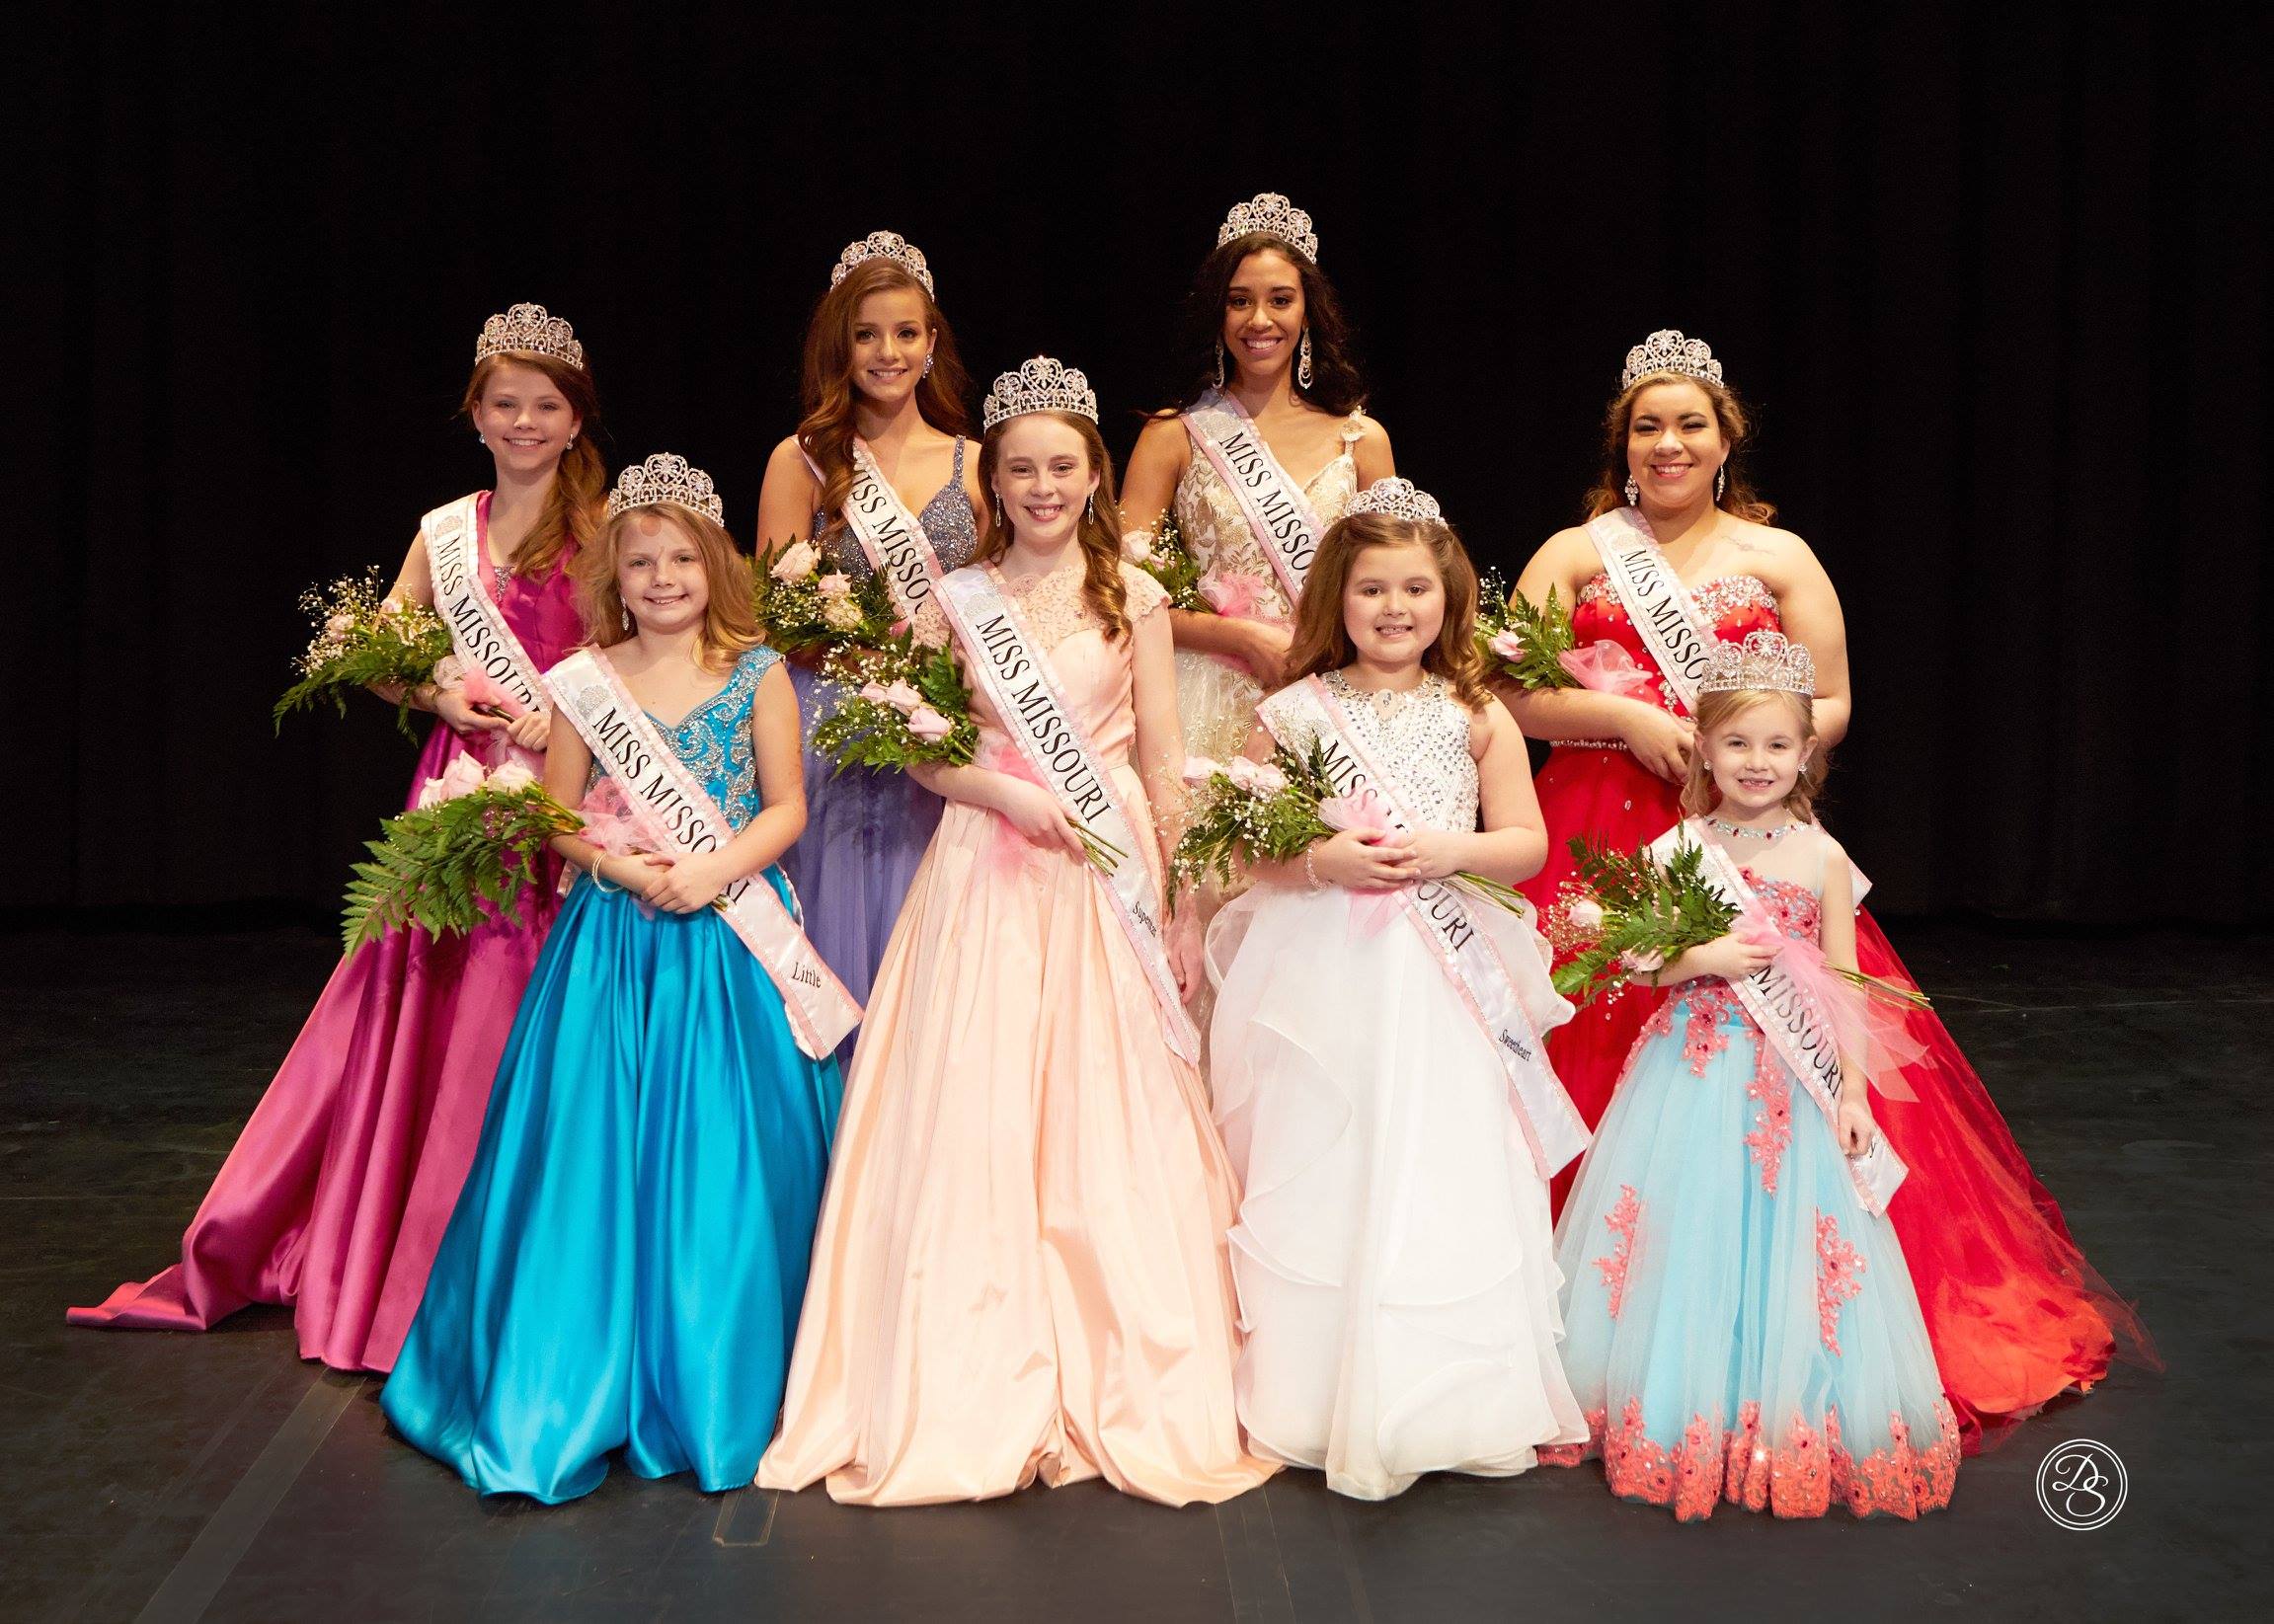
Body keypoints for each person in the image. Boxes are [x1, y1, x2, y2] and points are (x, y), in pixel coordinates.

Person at [1504, 330, 2151, 1446]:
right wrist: (1624, 718)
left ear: (1724, 439)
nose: (1667, 444)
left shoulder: (1782, 558)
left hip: (1743, 826)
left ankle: (1759, 1315)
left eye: (1688, 424)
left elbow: (1835, 701)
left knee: (1774, 1046)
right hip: (1593, 829)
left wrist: (1739, 749)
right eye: (1646, 426)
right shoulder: (1571, 551)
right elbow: (1504, 698)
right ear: (1623, 443)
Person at [759, 358, 1271, 1507]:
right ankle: (975, 1350)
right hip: (986, 869)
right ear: (992, 478)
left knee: (1112, 1100)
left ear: (1095, 476)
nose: (1043, 485)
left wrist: (1176, 883)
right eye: (1020, 467)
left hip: (1102, 863)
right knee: (976, 1099)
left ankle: (1118, 1357)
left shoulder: (1131, 595)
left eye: (1062, 465)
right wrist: (1001, 793)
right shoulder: (954, 595)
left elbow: (1152, 751)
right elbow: (925, 746)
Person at [70, 304, 599, 1371]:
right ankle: (409, 1254)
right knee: (433, 1018)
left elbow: (649, 656)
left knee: (533, 1022)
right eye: (506, 404)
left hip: (572, 803)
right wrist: (439, 686)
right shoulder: (444, 531)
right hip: (457, 795)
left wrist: (571, 720)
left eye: (545, 405)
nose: (525, 421)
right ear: (477, 415)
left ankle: (526, 1258)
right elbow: (384, 650)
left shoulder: (605, 534)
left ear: (577, 421)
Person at [382, 454, 849, 1502]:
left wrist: (712, 869)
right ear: (615, 574)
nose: (663, 577)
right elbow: (553, 818)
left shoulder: (759, 670)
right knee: (592, 1158)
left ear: (714, 566)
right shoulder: (584, 680)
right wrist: (618, 862)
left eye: (682, 558)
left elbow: (785, 810)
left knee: (725, 1162)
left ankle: (718, 1382)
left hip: (727, 943)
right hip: (612, 945)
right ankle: (580, 1374)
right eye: (641, 562)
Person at [1206, 479, 1589, 1500]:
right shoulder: (1288, 713)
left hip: (1440, 981)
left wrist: (1441, 847)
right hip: (1318, 971)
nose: (1392, 608)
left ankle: (1450, 1398)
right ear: (1335, 598)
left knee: (1436, 1158)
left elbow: (1523, 843)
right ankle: (1311, 1391)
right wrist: (1322, 861)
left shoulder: (1473, 713)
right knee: (1324, 1153)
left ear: (1447, 599)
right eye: (1370, 587)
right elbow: (1243, 852)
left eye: (1413, 588)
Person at [1547, 632, 1959, 1521]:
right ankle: (1680, 1409)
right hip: (1693, 1071)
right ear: (1702, 747)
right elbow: (1642, 964)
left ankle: (1780, 1415)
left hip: (1795, 1082)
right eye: (1736, 743)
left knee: (1790, 1239)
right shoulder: (1677, 847)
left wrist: (1850, 1090)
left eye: (1776, 744)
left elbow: (1848, 984)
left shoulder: (1820, 856)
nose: (1757, 761)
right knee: (1688, 1233)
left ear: (1806, 752)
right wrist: (1703, 950)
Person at [753, 232, 982, 1020]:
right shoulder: (804, 460)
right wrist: (860, 643)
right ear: (839, 345)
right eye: (865, 334)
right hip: (828, 725)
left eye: (905, 332)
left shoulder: (978, 463)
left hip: (940, 727)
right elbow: (773, 617)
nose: (887, 352)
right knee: (830, 918)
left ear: (931, 342)